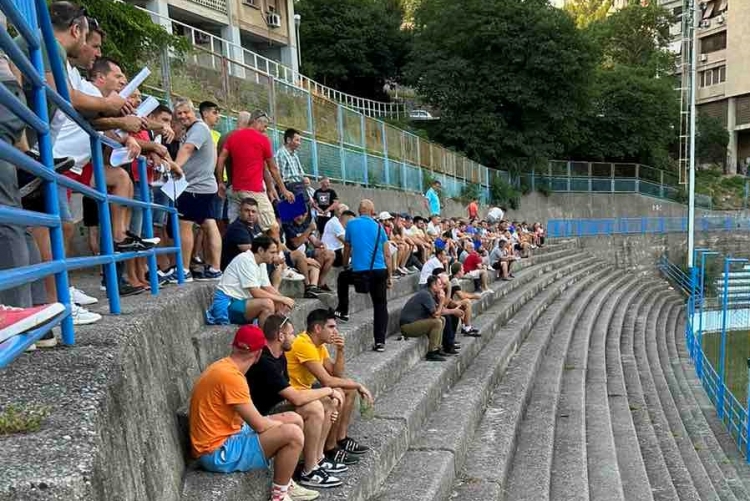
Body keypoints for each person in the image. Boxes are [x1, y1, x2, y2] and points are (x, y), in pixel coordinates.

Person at [188, 325, 311, 501]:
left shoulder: (223, 367)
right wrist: (280, 426)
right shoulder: (232, 378)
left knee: (294, 418)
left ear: (234, 346)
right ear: (259, 354)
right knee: (293, 433)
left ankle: (286, 483)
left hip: (228, 435)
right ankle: (279, 496)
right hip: (215, 452)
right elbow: (259, 425)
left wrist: (281, 423)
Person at [246, 315, 347, 489]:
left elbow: (292, 393)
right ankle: (309, 471)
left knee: (326, 402)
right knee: (315, 406)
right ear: (280, 336)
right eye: (291, 333)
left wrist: (327, 399)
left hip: (276, 405)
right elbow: (296, 398)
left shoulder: (280, 355)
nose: (294, 336)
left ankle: (317, 460)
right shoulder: (265, 362)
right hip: (258, 416)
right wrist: (329, 390)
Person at [286, 309, 373, 461]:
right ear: (318, 329)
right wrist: (358, 384)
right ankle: (330, 448)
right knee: (337, 394)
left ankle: (341, 438)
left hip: (306, 390)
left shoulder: (319, 345)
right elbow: (328, 381)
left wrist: (340, 350)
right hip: (294, 393)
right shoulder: (303, 344)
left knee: (348, 390)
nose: (335, 331)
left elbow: (335, 373)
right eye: (331, 327)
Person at [216, 110, 293, 240]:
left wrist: (220, 182)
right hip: (253, 190)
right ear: (257, 122)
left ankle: (236, 255)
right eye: (265, 126)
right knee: (272, 227)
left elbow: (221, 159)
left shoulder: (232, 137)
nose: (265, 129)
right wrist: (284, 190)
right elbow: (272, 168)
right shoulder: (262, 139)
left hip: (234, 190)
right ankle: (277, 258)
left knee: (236, 227)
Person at [171, 98, 222, 282]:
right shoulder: (196, 129)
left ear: (194, 112)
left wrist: (175, 166)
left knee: (184, 225)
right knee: (209, 224)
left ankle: (183, 269)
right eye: (179, 114)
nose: (183, 116)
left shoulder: (199, 128)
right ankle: (215, 268)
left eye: (186, 112)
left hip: (195, 187)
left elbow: (188, 148)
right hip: (205, 185)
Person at [333, 200, 391, 352]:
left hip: (360, 272)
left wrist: (345, 264)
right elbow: (387, 254)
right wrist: (389, 276)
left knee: (343, 278)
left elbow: (347, 248)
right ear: (372, 211)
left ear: (359, 211)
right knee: (380, 306)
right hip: (379, 271)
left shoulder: (351, 224)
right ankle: (380, 342)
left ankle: (343, 310)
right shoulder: (379, 227)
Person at [205, 236, 294, 326]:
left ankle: (275, 334)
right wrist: (282, 298)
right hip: (226, 305)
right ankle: (265, 338)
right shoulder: (245, 260)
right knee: (267, 304)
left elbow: (267, 287)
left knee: (280, 304)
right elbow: (255, 292)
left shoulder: (261, 262)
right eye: (272, 252)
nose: (275, 256)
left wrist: (285, 300)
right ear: (260, 250)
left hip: (241, 303)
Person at [399, 275, 447, 362]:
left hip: (415, 323)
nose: (442, 286)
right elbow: (436, 315)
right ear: (433, 285)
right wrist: (441, 302)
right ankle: (432, 352)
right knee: (437, 322)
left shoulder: (428, 293)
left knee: (442, 319)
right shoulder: (426, 295)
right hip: (408, 327)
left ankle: (438, 348)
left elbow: (438, 313)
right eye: (440, 284)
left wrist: (453, 310)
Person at [283, 213, 335, 292]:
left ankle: (318, 284)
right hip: (293, 255)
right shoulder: (288, 225)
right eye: (299, 214)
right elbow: (296, 243)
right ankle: (309, 286)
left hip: (305, 253)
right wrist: (309, 229)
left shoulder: (304, 225)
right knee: (302, 256)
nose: (301, 217)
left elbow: (315, 241)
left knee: (330, 253)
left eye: (304, 215)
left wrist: (321, 244)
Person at [221, 197, 263, 271]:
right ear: (240, 211)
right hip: (234, 269)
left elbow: (266, 244)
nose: (250, 214)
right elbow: (249, 251)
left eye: (253, 211)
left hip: (249, 264)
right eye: (247, 211)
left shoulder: (256, 226)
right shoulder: (237, 227)